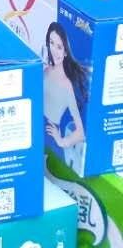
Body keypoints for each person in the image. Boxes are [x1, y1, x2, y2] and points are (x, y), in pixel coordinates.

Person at [44, 21, 87, 158]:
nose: (54, 50)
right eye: (51, 43)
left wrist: (61, 141)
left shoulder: (67, 85)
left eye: (59, 47)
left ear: (65, 52)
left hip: (49, 134)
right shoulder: (46, 70)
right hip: (34, 127)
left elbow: (81, 133)